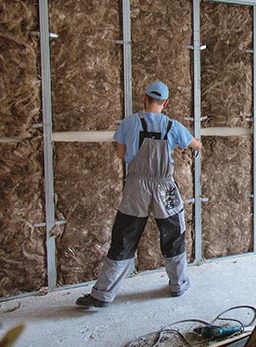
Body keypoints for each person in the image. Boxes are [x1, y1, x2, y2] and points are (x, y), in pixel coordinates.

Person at [77, 81, 202, 308]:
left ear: (145, 98)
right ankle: (178, 284)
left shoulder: (129, 122)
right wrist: (191, 145)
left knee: (124, 238)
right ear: (165, 103)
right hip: (165, 188)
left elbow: (121, 153)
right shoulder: (173, 126)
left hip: (136, 188)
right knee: (173, 235)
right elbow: (196, 145)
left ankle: (102, 295)